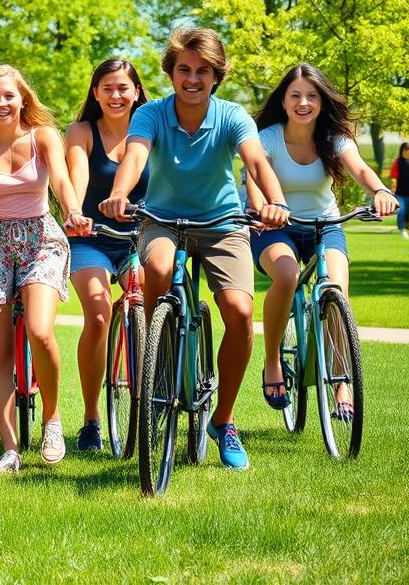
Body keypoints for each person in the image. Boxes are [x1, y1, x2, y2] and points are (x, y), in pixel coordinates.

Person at [100, 27, 290, 471]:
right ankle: (156, 357)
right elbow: (136, 155)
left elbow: (256, 160)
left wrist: (276, 201)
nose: (192, 78)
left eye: (202, 71)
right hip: (162, 219)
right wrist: (119, 193)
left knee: (240, 313)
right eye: (183, 69)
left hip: (223, 223)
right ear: (170, 74)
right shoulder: (150, 114)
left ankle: (223, 421)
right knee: (160, 270)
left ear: (216, 75)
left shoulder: (231, 115)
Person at [0, 65, 90, 473]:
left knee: (40, 330)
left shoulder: (44, 136)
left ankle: (51, 419)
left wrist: (74, 211)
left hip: (40, 238)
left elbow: (61, 181)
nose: (2, 103)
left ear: (23, 99)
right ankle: (10, 448)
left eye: (9, 96)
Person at [245, 64, 397, 412]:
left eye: (312, 96)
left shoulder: (334, 138)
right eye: (295, 95)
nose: (303, 102)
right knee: (286, 276)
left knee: (336, 292)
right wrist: (262, 209)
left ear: (322, 101)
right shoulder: (266, 137)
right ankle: (272, 363)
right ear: (283, 101)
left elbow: (359, 167)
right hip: (274, 226)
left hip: (324, 225)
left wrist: (379, 190)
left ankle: (341, 382)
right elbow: (253, 178)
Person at [63, 58, 148, 453]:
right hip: (91, 236)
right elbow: (77, 172)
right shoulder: (81, 131)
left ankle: (151, 401)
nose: (116, 95)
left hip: (142, 237)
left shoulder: (151, 127)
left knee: (145, 307)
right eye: (108, 88)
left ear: (136, 92)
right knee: (97, 315)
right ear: (95, 93)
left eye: (123, 88)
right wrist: (75, 211)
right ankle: (92, 419)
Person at [388, 142, 409, 239]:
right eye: (405, 150)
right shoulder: (398, 162)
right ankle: (401, 229)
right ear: (402, 151)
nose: (407, 152)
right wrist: (393, 188)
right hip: (400, 193)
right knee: (402, 210)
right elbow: (394, 176)